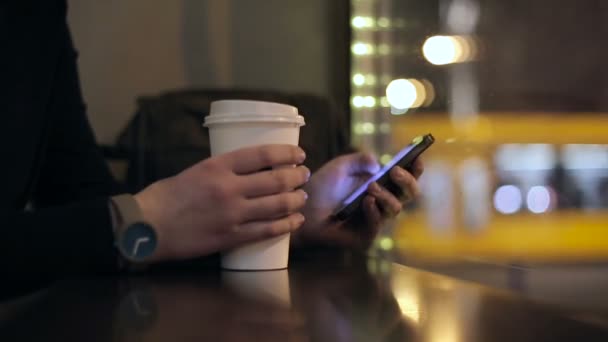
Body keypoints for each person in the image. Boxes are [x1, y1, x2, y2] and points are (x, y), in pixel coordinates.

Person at [1, 2, 422, 276]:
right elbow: (113, 224)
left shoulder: (38, 16)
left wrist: (292, 219)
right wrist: (149, 217)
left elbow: (79, 202)